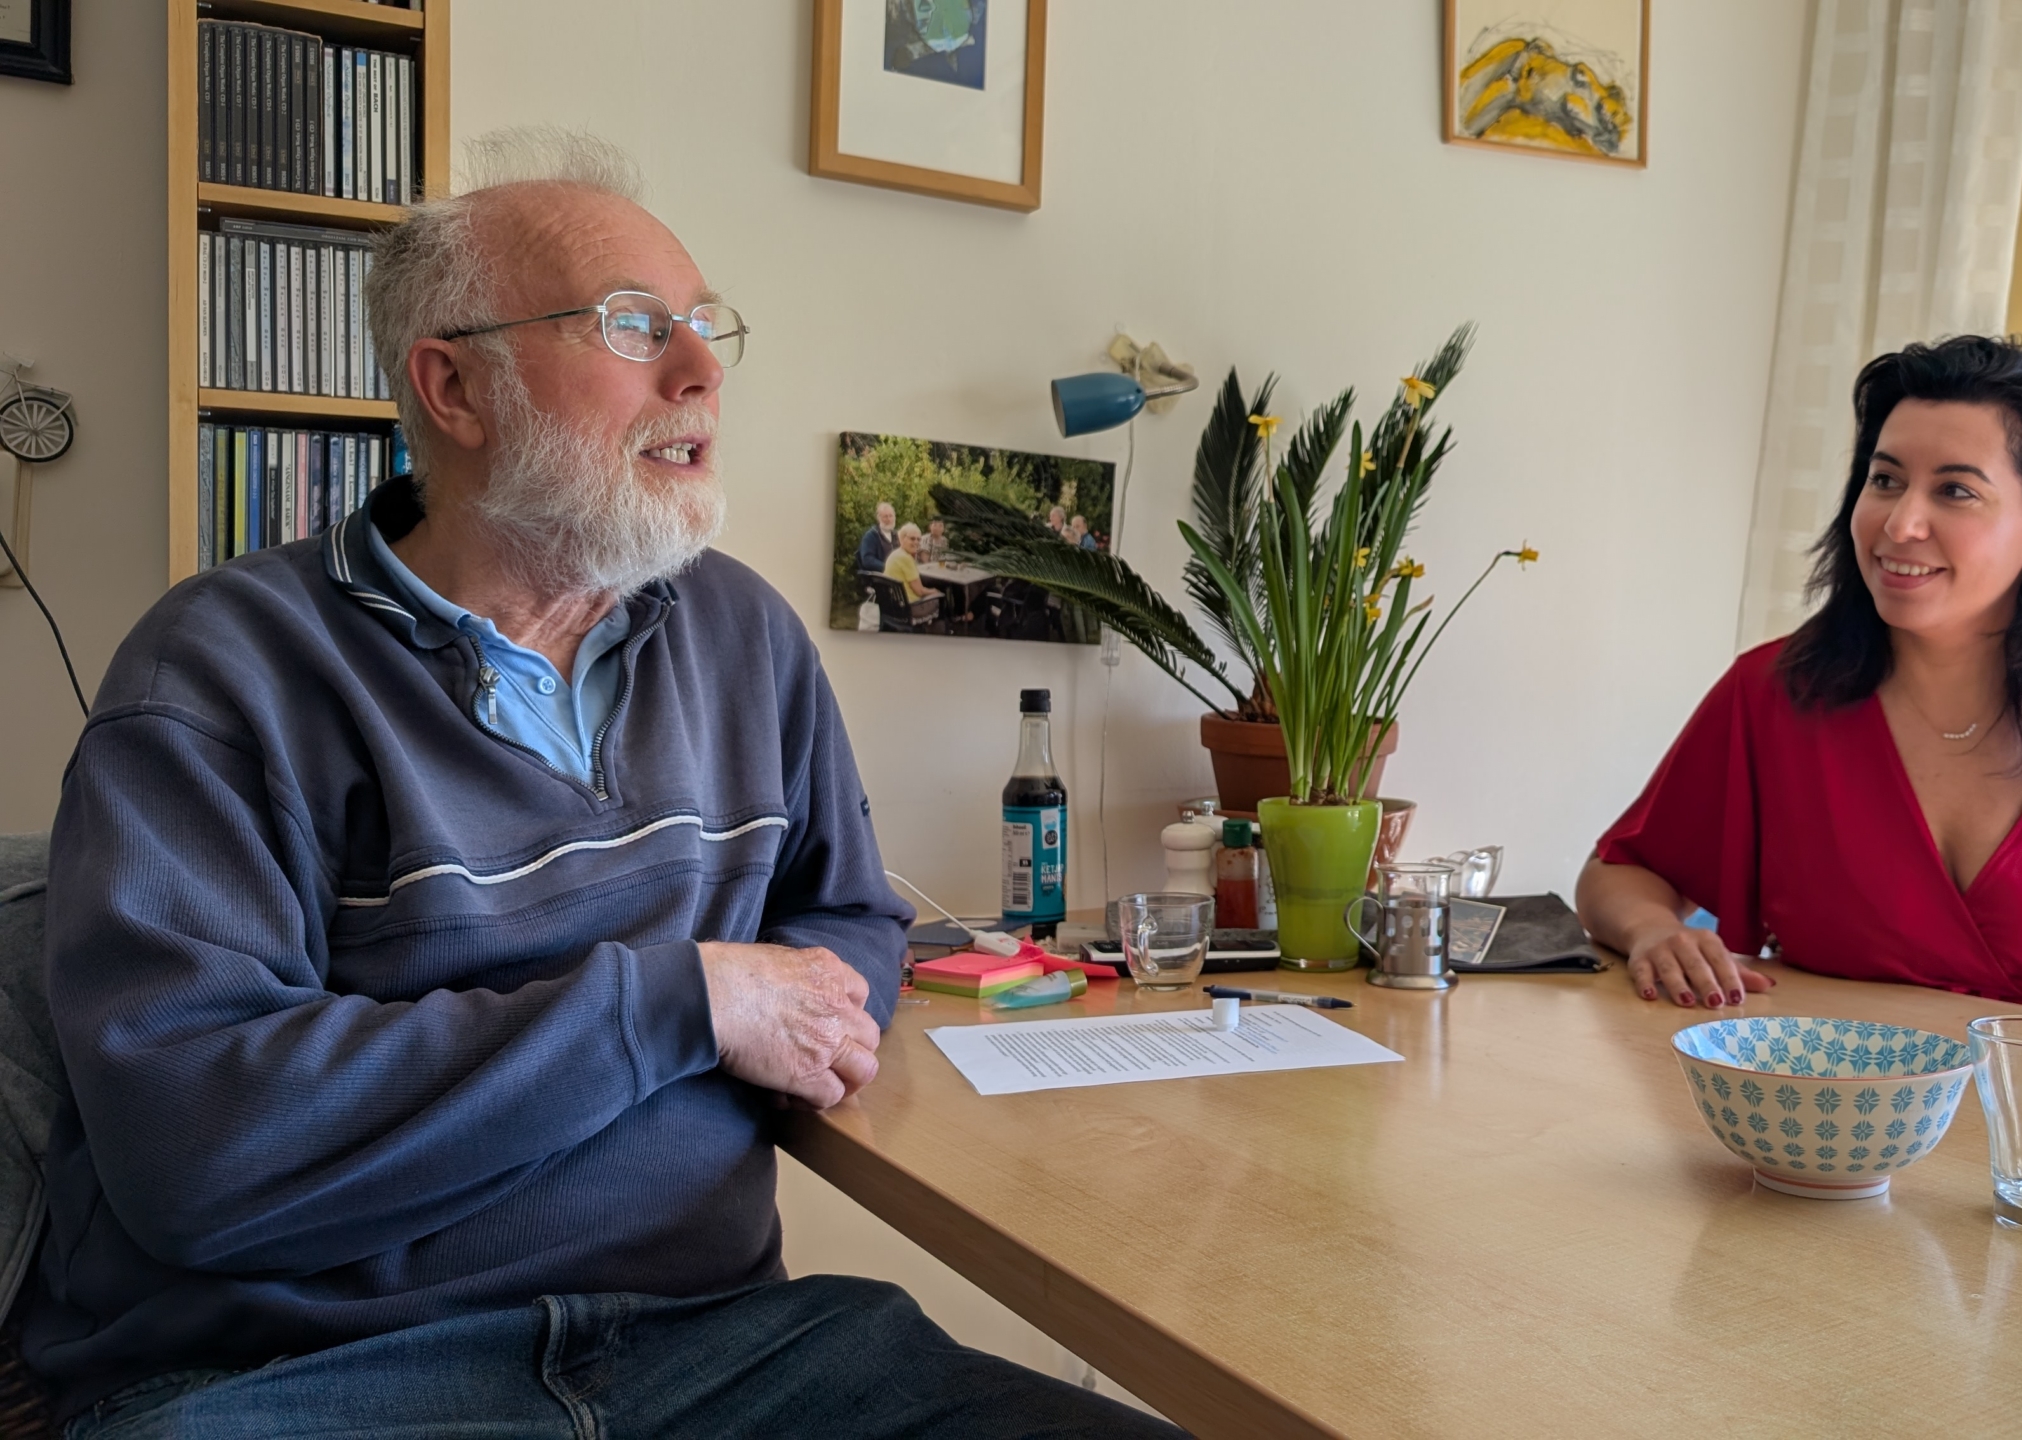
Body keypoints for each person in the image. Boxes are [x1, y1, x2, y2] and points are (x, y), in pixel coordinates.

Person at [30, 130, 1179, 1438]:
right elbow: (203, 1150)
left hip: (722, 1347)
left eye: (704, 327)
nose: (700, 372)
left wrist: (779, 1003)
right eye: (635, 327)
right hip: (314, 1379)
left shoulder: (745, 635)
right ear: (456, 389)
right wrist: (678, 1007)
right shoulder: (222, 672)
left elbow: (850, 922)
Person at [1577, 336, 2022, 1047]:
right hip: (1827, 1140)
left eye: (1954, 490)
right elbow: (1621, 871)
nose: (1900, 523)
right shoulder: (1772, 693)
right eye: (1885, 479)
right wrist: (1656, 932)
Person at [883, 521, 930, 601]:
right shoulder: (906, 558)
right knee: (941, 597)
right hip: (911, 606)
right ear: (902, 539)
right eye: (912, 538)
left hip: (894, 603)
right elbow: (920, 592)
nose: (916, 542)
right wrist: (936, 591)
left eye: (918, 539)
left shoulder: (894, 554)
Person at [857, 498, 897, 575]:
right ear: (879, 518)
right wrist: (888, 567)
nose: (888, 519)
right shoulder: (871, 536)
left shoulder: (896, 535)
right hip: (880, 577)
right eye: (885, 516)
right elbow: (867, 560)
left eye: (891, 516)